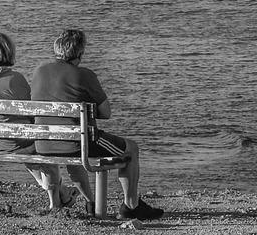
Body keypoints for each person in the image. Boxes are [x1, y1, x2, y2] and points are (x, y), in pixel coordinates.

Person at [30, 28, 164, 220]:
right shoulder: (84, 75)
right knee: (131, 149)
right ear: (80, 53)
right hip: (77, 143)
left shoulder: (39, 71)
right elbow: (106, 112)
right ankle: (131, 205)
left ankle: (90, 202)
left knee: (75, 154)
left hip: (44, 143)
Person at [0, 29, 77, 211]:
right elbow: (32, 113)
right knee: (41, 148)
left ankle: (63, 193)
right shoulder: (15, 79)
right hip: (14, 144)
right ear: (8, 51)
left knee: (26, 147)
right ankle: (55, 202)